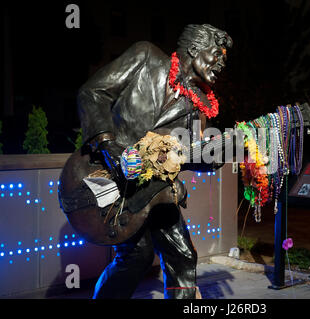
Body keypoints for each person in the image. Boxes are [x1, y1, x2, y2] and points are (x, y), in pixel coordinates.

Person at [77, 24, 232, 299]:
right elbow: (93, 92)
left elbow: (188, 155)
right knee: (137, 256)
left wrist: (218, 154)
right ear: (195, 50)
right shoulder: (146, 56)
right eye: (216, 55)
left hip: (156, 192)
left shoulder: (199, 108)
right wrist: (109, 147)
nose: (221, 65)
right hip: (105, 176)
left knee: (183, 257)